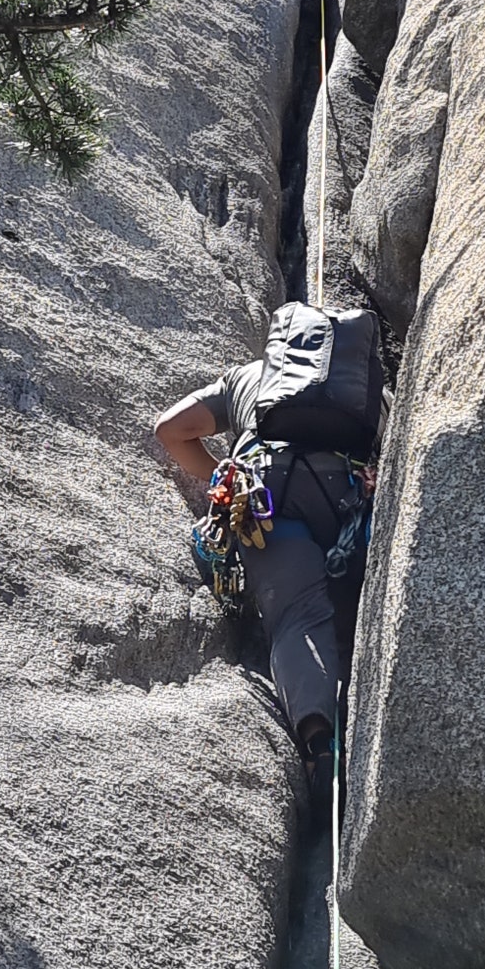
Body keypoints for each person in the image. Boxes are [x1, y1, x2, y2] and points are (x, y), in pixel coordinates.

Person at [155, 329, 388, 827]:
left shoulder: (247, 379)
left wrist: (226, 474)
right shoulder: (366, 390)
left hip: (264, 497)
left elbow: (170, 429)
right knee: (350, 606)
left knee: (296, 617)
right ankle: (364, 726)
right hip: (341, 493)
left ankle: (318, 743)